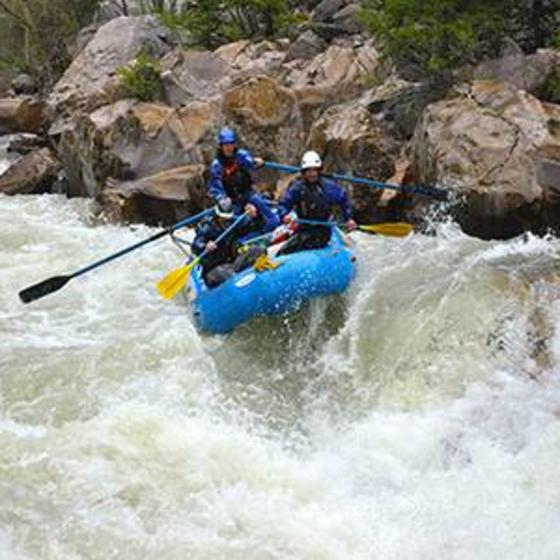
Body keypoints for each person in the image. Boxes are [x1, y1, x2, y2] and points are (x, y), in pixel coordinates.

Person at [277, 150, 356, 255]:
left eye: (314, 170)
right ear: (304, 172)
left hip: (322, 230)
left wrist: (348, 218)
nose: (312, 174)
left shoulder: (328, 188)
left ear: (319, 171)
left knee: (304, 243)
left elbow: (343, 199)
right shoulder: (297, 188)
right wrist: (284, 214)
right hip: (303, 228)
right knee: (284, 251)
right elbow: (284, 204)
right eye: (308, 171)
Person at [208, 127, 279, 235]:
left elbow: (250, 162)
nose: (229, 148)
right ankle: (245, 239)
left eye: (231, 144)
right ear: (221, 146)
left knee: (262, 205)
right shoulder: (217, 166)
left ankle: (272, 228)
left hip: (247, 193)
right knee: (236, 221)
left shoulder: (240, 155)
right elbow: (215, 188)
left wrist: (257, 162)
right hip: (232, 200)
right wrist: (221, 198)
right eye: (226, 145)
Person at [191, 206, 265, 288]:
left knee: (257, 250)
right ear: (218, 217)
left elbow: (256, 226)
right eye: (223, 219)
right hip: (214, 269)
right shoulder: (208, 228)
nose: (226, 221)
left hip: (232, 263)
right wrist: (204, 246)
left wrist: (256, 216)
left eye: (228, 219)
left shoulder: (232, 223)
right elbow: (195, 245)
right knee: (228, 274)